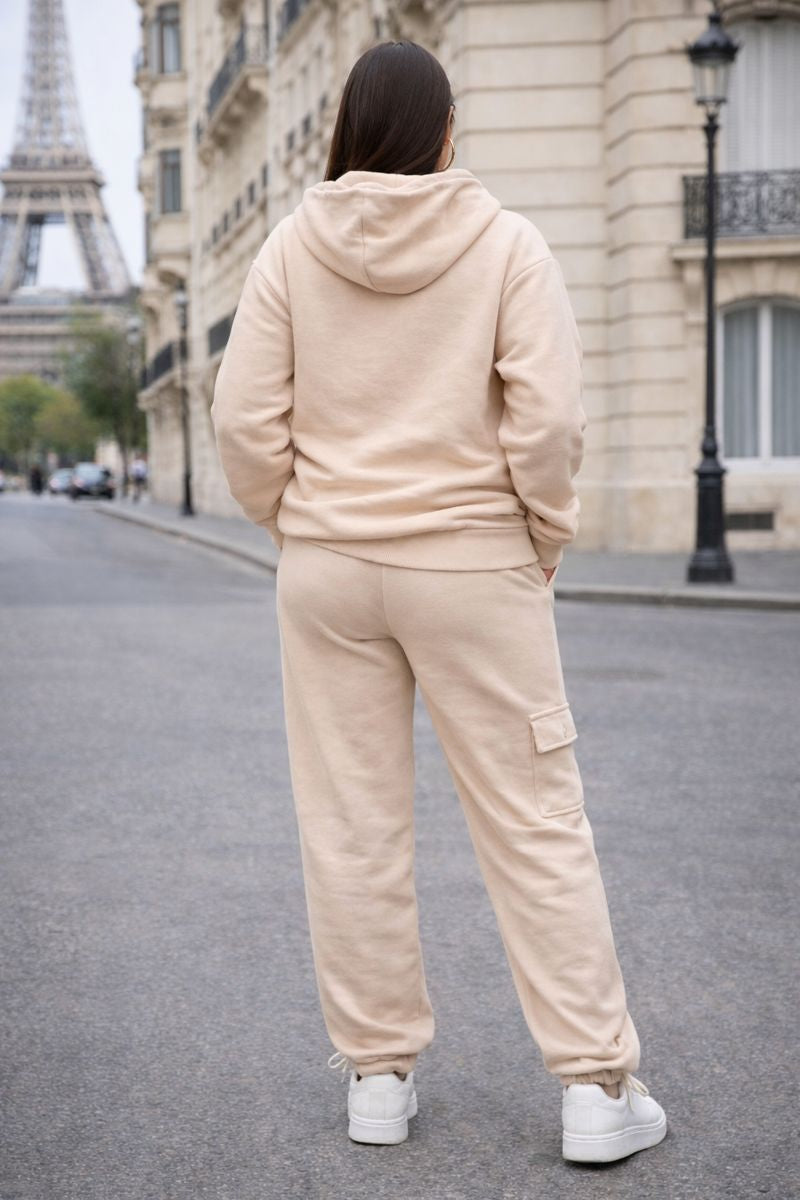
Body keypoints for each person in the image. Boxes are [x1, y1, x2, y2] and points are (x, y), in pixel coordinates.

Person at [211, 40, 667, 1162]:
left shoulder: (287, 249)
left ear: (344, 133)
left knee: (352, 824)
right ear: (446, 132)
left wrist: (294, 522)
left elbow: (239, 424)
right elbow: (548, 422)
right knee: (533, 821)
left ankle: (376, 1075)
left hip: (328, 568)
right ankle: (595, 1092)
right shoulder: (506, 244)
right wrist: (544, 534)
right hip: (472, 565)